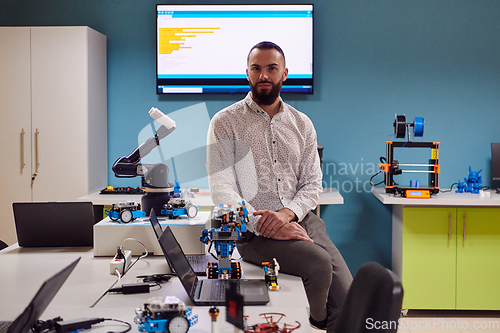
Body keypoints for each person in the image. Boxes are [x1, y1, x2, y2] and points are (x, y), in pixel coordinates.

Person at [206, 41, 352, 332]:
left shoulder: (302, 124)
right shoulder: (225, 122)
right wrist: (263, 224)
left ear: (284, 73)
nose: (264, 75)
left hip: (301, 220)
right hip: (249, 231)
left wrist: (286, 215)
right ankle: (315, 324)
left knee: (347, 296)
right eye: (257, 69)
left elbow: (312, 184)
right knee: (318, 264)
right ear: (247, 74)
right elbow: (223, 191)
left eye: (271, 68)